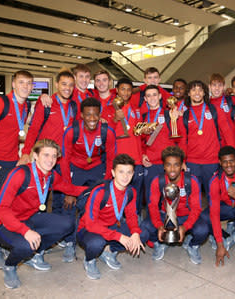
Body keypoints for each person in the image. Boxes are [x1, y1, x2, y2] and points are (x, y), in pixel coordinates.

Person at [0, 139, 87, 289]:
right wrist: (25, 231)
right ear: (35, 155)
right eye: (46, 155)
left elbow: (70, 188)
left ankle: (34, 255)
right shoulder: (20, 173)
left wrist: (95, 190)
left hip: (29, 218)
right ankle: (10, 266)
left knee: (68, 224)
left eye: (54, 156)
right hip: (2, 224)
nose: (50, 160)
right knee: (26, 245)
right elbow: (0, 209)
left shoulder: (50, 176)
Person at [0, 70, 33, 269]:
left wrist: (24, 154)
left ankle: (4, 239)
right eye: (22, 82)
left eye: (29, 83)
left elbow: (19, 132)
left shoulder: (25, 105)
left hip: (12, 161)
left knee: (8, 204)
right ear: (13, 84)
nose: (25, 86)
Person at [59, 97, 116, 262]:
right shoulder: (71, 131)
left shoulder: (107, 131)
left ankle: (97, 239)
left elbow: (111, 159)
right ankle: (69, 243)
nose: (92, 119)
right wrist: (69, 190)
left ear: (100, 115)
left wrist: (105, 183)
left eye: (95, 115)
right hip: (75, 169)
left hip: (96, 168)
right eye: (88, 115)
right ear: (81, 116)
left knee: (98, 204)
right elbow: (64, 160)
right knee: (68, 205)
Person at [77, 154, 148, 279]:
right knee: (97, 243)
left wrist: (135, 233)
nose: (125, 176)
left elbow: (132, 217)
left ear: (133, 174)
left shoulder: (131, 192)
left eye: (129, 172)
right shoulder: (100, 192)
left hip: (112, 227)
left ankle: (109, 251)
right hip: (89, 230)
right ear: (113, 173)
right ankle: (89, 260)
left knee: (142, 235)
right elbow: (90, 224)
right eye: (121, 172)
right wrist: (119, 237)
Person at [141, 146, 209, 264]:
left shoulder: (191, 181)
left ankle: (192, 245)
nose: (172, 169)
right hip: (165, 216)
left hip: (185, 216)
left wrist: (185, 226)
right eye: (168, 165)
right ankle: (159, 243)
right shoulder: (158, 181)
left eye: (176, 165)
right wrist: (158, 226)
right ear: (163, 166)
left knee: (203, 230)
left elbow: (196, 208)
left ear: (182, 165)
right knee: (144, 227)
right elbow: (152, 206)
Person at [200, 146, 235, 266]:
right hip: (228, 207)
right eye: (224, 162)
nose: (228, 165)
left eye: (231, 161)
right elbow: (214, 212)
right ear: (220, 163)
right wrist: (220, 244)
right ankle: (224, 237)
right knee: (205, 217)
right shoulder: (215, 179)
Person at [180, 80, 235, 192]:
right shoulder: (184, 115)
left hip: (212, 161)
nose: (197, 92)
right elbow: (183, 141)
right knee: (192, 197)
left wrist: (233, 155)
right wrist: (182, 161)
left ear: (204, 93)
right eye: (193, 89)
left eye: (200, 90)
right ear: (189, 93)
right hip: (192, 162)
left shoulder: (214, 110)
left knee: (214, 196)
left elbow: (227, 133)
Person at [105, 78, 145, 217]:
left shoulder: (136, 110)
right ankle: (116, 221)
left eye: (128, 89)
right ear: (116, 90)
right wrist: (115, 119)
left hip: (136, 159)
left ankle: (137, 221)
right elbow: (106, 133)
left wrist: (143, 154)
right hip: (118, 159)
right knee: (117, 193)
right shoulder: (109, 109)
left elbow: (139, 135)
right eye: (123, 89)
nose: (126, 92)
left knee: (136, 194)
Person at [20, 70, 77, 165]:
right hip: (45, 158)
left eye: (71, 85)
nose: (68, 88)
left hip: (66, 160)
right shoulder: (46, 104)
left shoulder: (74, 107)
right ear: (56, 84)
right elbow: (34, 129)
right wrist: (25, 153)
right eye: (64, 84)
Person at [140, 85, 185, 193]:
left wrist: (183, 160)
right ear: (145, 99)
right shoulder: (143, 117)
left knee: (170, 197)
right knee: (151, 197)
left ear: (160, 96)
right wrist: (142, 154)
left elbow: (181, 138)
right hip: (150, 163)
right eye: (148, 96)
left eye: (154, 95)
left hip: (169, 163)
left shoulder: (169, 114)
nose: (152, 98)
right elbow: (140, 141)